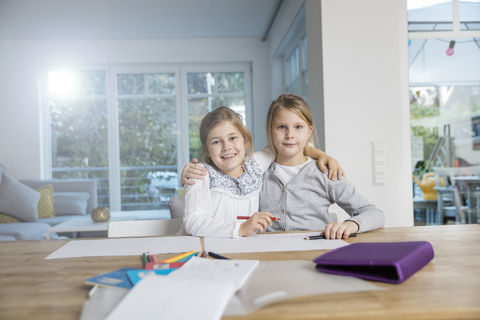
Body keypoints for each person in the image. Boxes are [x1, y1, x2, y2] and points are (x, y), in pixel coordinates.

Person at [183, 94, 384, 239]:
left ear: (309, 131)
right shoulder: (258, 170)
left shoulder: (325, 173)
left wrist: (351, 224)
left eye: (298, 127)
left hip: (312, 254)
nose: (290, 135)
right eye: (281, 127)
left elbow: (374, 213)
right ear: (271, 132)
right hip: (266, 257)